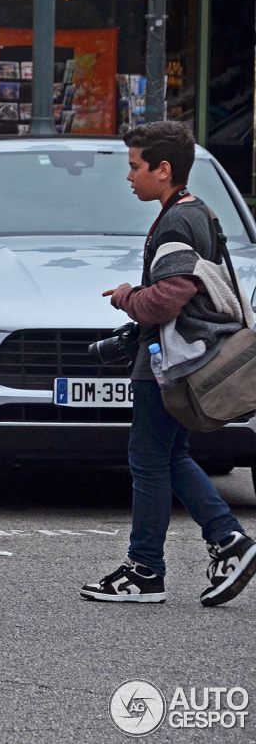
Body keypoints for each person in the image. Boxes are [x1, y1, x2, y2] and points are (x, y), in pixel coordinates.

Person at [81, 120, 256, 606]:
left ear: (163, 169)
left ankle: (145, 570)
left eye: (135, 166)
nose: (129, 176)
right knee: (169, 456)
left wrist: (126, 297)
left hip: (171, 361)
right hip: (178, 358)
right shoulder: (196, 212)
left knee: (148, 460)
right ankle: (228, 541)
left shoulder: (177, 221)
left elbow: (167, 299)